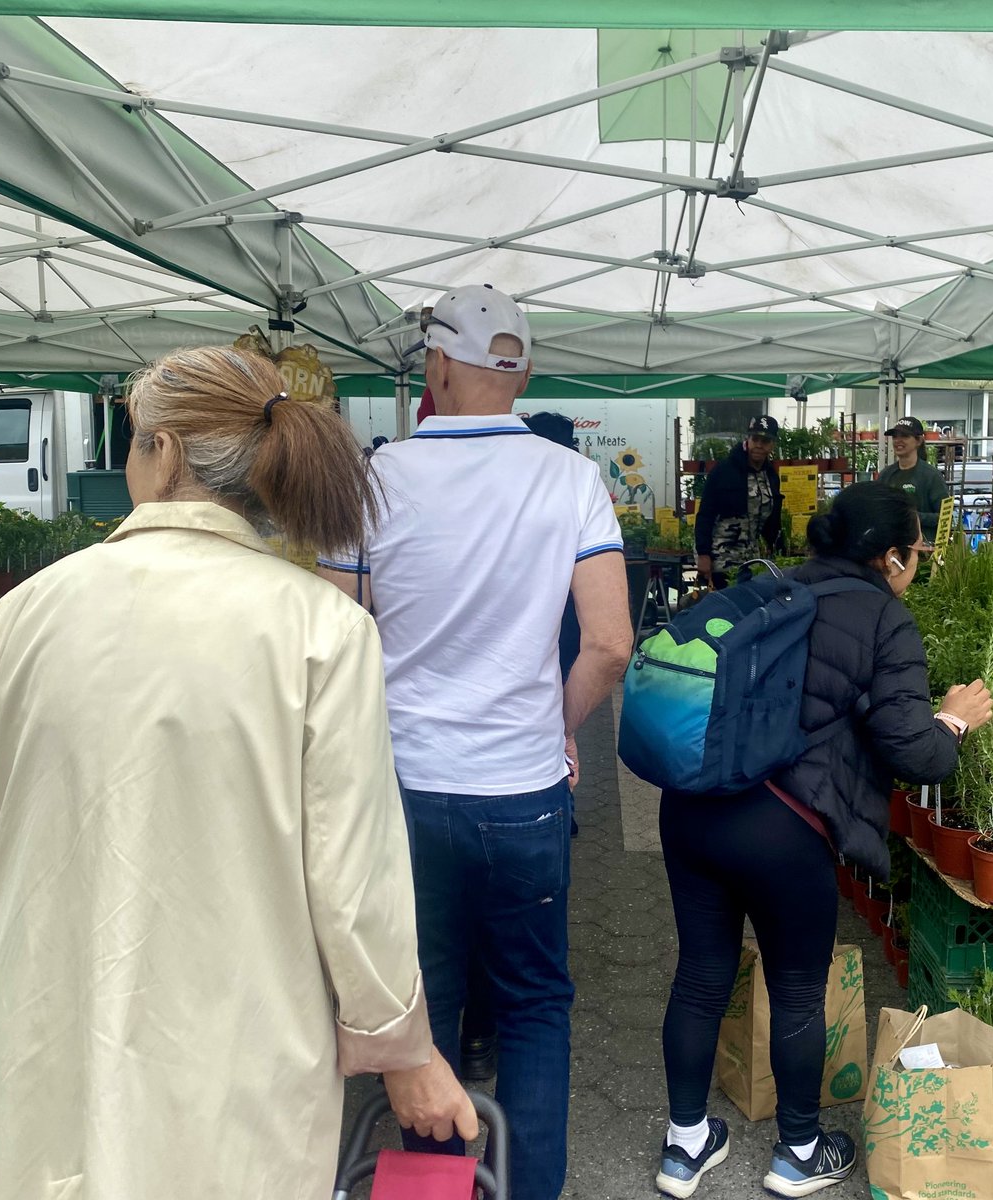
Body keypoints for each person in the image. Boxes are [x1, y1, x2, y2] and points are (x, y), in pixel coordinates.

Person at [0, 347, 476, 1200]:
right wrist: (403, 1051)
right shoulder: (321, 630)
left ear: (162, 452)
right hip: (236, 1059)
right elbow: (356, 885)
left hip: (32, 1036)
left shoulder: (19, 614)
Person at [318, 284, 632, 1200]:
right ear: (522, 371)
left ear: (438, 368)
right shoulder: (571, 478)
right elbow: (609, 644)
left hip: (406, 789)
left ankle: (433, 1185)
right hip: (525, 788)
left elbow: (336, 636)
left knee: (425, 1008)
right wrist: (558, 727)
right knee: (536, 1006)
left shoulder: (375, 479)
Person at [655, 483, 992, 1199]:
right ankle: (800, 1153)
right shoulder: (884, 618)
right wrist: (955, 720)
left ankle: (684, 1149)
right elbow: (916, 753)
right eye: (918, 554)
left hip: (691, 808)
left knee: (701, 975)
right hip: (784, 827)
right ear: (892, 556)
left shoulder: (774, 586)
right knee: (799, 990)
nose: (918, 566)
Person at [694, 414, 783, 589]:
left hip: (753, 559)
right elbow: (705, 514)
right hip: (722, 558)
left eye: (765, 441)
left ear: (772, 445)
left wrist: (778, 549)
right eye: (755, 439)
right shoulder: (724, 470)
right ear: (747, 440)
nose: (758, 445)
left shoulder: (771, 475)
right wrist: (703, 554)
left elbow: (774, 518)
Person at [878, 415, 949, 542]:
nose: (898, 440)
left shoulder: (931, 476)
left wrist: (913, 517)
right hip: (891, 550)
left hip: (924, 551)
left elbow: (946, 518)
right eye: (895, 436)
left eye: (904, 436)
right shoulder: (886, 475)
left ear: (919, 441)